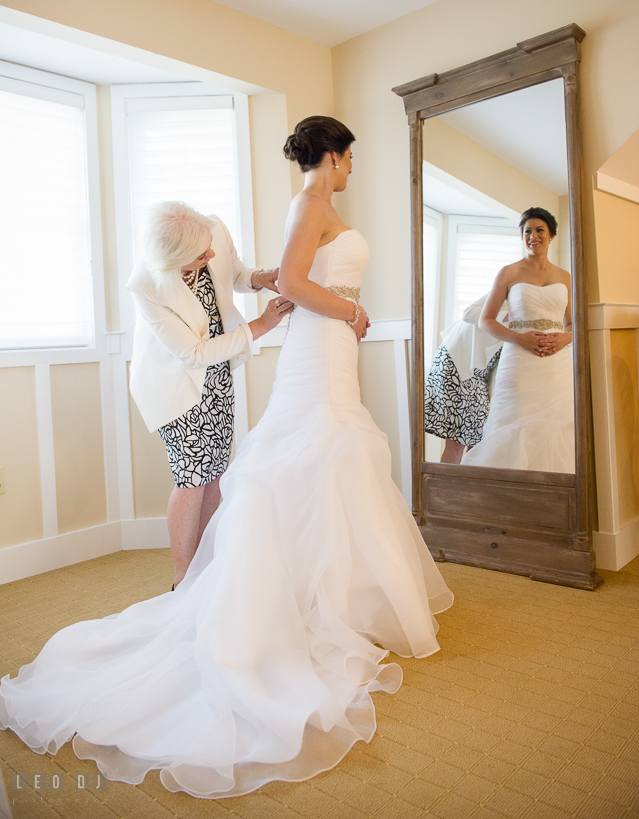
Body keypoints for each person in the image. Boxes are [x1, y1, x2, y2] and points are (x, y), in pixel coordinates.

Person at [0, 116, 453, 799]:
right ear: (332, 157)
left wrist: (267, 287)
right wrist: (341, 314)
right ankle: (193, 583)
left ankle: (286, 583)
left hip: (260, 359)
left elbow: (258, 275)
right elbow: (267, 304)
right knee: (201, 474)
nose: (351, 167)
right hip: (185, 380)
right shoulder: (179, 271)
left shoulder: (218, 230)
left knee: (258, 466)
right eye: (349, 157)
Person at [127, 201, 293, 587]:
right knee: (192, 478)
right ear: (176, 260)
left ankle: (205, 568)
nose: (211, 252)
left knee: (215, 473)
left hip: (217, 376)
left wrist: (260, 277)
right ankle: (183, 579)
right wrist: (261, 325)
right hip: (178, 384)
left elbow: (231, 271)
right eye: (200, 255)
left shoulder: (211, 230)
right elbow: (192, 353)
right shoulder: (147, 286)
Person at [461, 206, 574, 473]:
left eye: (539, 230)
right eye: (527, 231)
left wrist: (564, 339)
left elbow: (573, 323)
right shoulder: (509, 273)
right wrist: (519, 339)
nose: (532, 236)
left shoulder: (565, 277)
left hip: (556, 366)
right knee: (516, 425)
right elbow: (485, 320)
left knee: (559, 425)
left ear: (552, 236)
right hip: (520, 363)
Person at [424, 294, 507, 463]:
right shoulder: (505, 296)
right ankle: (447, 488)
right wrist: (504, 321)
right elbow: (468, 313)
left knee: (479, 440)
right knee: (458, 442)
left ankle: (461, 487)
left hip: (479, 371)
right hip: (459, 361)